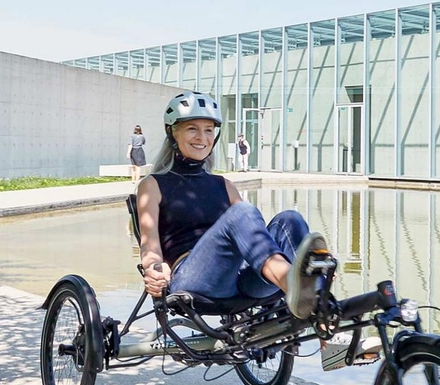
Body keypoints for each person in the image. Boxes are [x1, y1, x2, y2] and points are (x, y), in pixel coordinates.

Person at [135, 91, 325, 320]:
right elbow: (149, 245)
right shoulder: (153, 184)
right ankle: (298, 287)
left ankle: (320, 301)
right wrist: (154, 269)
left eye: (209, 130)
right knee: (241, 212)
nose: (202, 137)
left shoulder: (225, 185)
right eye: (192, 129)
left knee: (290, 220)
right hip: (193, 278)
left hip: (241, 279)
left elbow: (254, 237)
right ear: (172, 132)